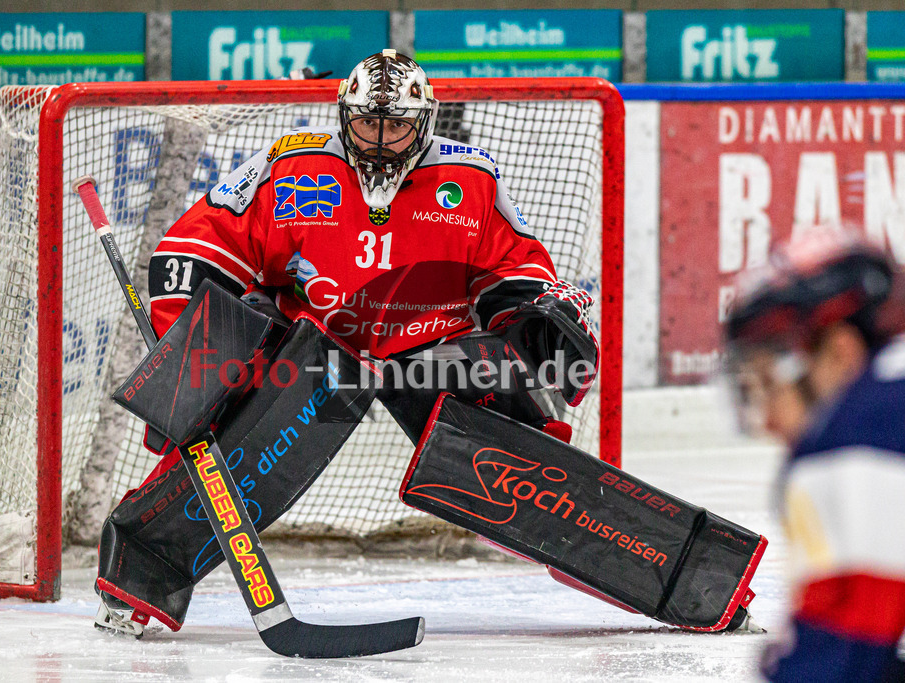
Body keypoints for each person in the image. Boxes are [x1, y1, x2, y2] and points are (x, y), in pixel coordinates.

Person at [94, 49, 599, 636]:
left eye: (396, 125)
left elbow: (512, 269)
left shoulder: (471, 178)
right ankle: (144, 568)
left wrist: (531, 311)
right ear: (343, 115)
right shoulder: (292, 168)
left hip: (428, 350)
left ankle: (590, 537)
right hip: (316, 349)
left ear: (425, 121)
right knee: (248, 430)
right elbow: (196, 248)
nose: (380, 140)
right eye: (367, 123)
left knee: (499, 374)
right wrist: (191, 357)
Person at [725, 233, 905, 681]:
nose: (768, 421)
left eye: (771, 383)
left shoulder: (855, 441)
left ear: (842, 353)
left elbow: (840, 661)